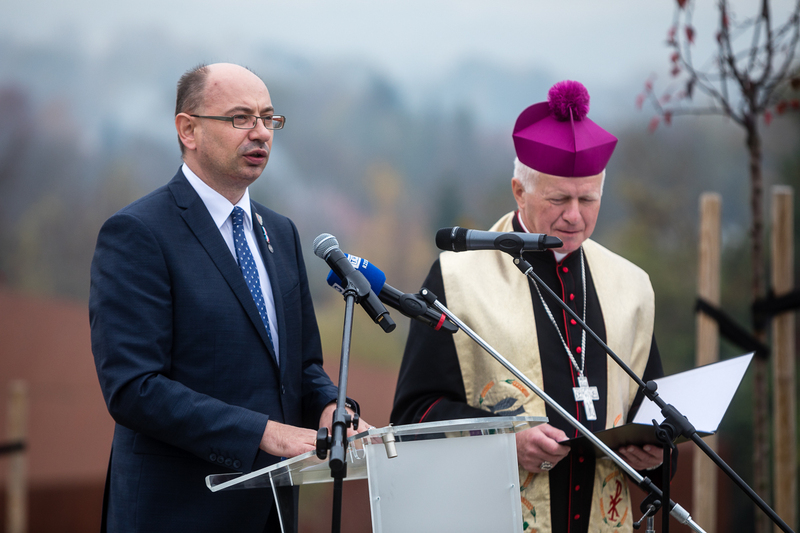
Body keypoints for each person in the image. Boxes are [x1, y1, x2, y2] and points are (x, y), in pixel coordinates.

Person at [89, 63, 368, 532]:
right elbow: (134, 388)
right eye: (240, 118)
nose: (260, 133)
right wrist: (263, 432)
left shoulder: (280, 231)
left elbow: (301, 367)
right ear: (188, 129)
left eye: (269, 119)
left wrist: (331, 409)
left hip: (270, 512)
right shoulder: (138, 233)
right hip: (176, 512)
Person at [391, 80, 663, 533]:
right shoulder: (458, 277)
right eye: (559, 199)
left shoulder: (630, 286)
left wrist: (655, 452)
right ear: (519, 190)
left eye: (588, 199)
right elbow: (414, 413)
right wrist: (505, 443)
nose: (575, 215)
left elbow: (649, 406)